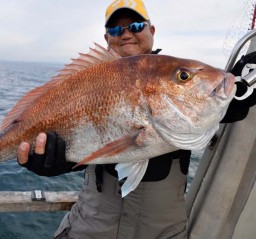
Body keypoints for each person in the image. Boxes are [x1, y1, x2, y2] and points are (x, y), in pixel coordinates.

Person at [16, 1, 256, 238]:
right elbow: (79, 142)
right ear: (107, 38)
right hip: (89, 229)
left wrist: (234, 95)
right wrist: (56, 161)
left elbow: (205, 118)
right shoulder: (89, 81)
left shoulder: (169, 74)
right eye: (116, 29)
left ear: (151, 31)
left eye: (136, 25)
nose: (126, 33)